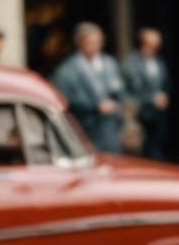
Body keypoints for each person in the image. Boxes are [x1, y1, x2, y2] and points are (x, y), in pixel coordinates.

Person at [52, 22, 126, 153]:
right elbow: (63, 98)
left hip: (110, 127)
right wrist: (94, 105)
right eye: (90, 42)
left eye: (98, 42)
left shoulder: (110, 63)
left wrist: (114, 103)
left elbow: (119, 89)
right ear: (80, 43)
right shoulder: (67, 69)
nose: (95, 46)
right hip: (85, 127)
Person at [120, 27, 171, 160]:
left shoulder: (159, 62)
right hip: (139, 117)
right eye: (151, 44)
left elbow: (163, 84)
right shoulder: (131, 63)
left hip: (158, 117)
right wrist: (151, 99)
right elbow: (128, 93)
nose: (154, 48)